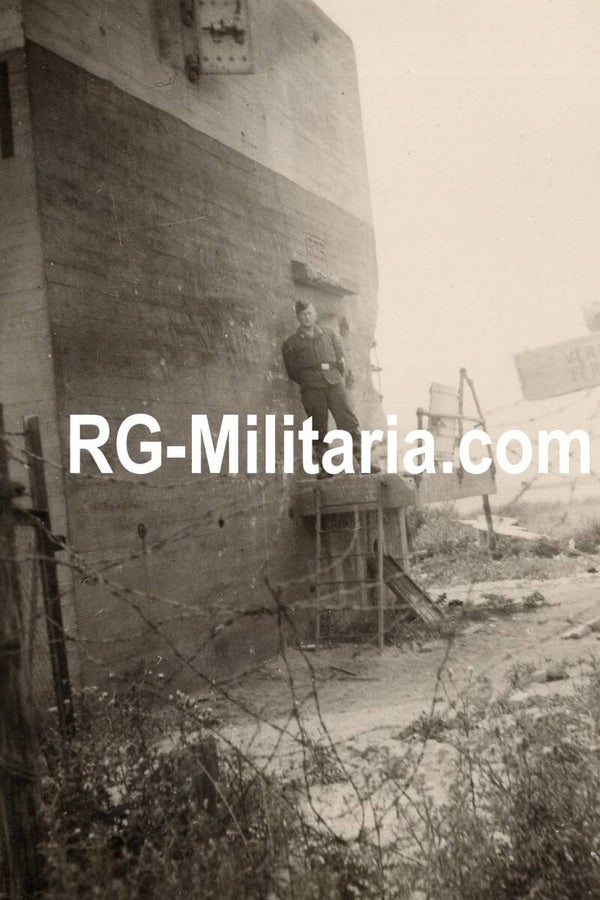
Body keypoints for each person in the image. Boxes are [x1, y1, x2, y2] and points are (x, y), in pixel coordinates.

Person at [281, 300, 380, 478]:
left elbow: (340, 359)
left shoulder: (329, 334)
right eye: (303, 315)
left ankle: (364, 463)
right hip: (312, 388)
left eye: (309, 313)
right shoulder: (291, 343)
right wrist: (309, 380)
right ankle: (326, 469)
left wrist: (336, 377)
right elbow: (293, 372)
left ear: (315, 314)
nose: (307, 317)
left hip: (334, 383)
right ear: (298, 318)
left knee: (349, 422)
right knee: (318, 428)